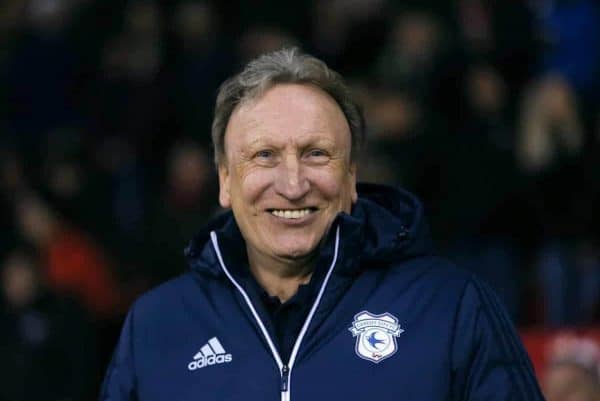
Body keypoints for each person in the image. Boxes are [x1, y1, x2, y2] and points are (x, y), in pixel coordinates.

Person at [100, 48, 544, 400]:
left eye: (316, 153)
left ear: (351, 177)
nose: (293, 185)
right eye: (264, 156)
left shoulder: (453, 307)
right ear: (225, 180)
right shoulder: (156, 326)